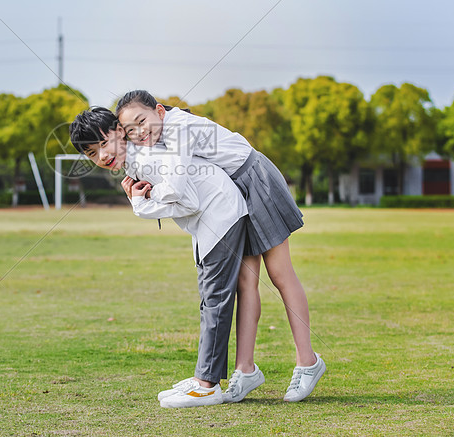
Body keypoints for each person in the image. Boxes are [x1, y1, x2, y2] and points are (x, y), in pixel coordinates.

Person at [115, 90, 325, 403]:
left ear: (159, 110)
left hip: (255, 179)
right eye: (130, 129)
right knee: (244, 282)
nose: (139, 131)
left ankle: (308, 362)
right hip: (234, 193)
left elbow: (176, 186)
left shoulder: (178, 129)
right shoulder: (158, 136)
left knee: (281, 275)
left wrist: (143, 198)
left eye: (142, 121)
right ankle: (246, 370)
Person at [69, 106, 248, 408]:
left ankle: (207, 385)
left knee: (215, 299)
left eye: (103, 143)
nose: (102, 156)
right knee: (209, 299)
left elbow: (187, 200)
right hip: (211, 220)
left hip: (220, 215)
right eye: (91, 153)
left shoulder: (147, 159)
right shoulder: (137, 160)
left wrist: (141, 204)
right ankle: (204, 378)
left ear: (119, 131)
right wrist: (145, 200)